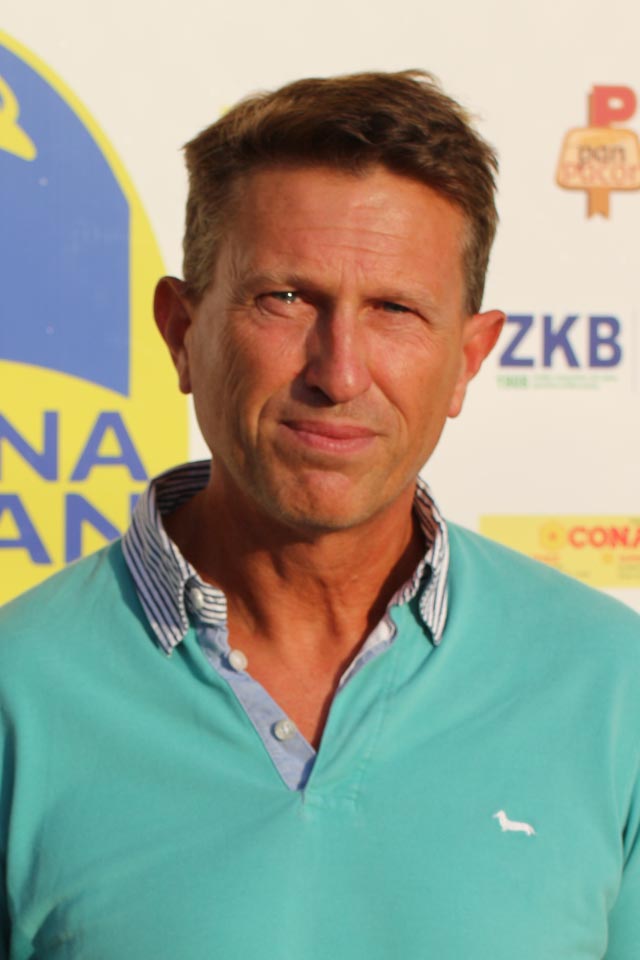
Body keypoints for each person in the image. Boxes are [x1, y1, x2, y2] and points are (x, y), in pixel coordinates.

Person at [1, 70, 638, 960]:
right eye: (287, 299)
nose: (338, 373)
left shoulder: (613, 687)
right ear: (182, 332)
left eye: (395, 310)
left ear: (467, 359)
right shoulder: (18, 691)